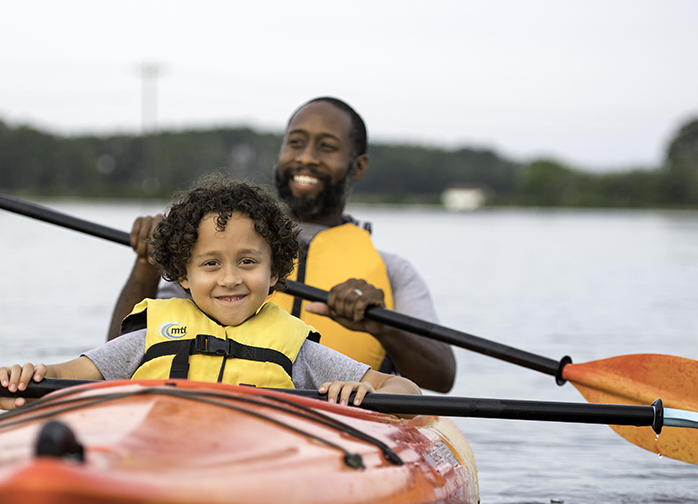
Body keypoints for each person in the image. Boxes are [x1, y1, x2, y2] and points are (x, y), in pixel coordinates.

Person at [107, 97, 457, 393]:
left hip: (344, 426)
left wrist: (381, 323)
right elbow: (120, 354)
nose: (306, 157)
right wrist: (150, 260)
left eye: (327, 147)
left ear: (359, 166)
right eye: (295, 142)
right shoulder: (209, 252)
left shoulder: (393, 272)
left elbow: (441, 377)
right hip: (219, 414)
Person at [0, 177, 421, 410]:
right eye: (210, 264)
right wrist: (26, 379)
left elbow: (405, 393)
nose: (230, 279)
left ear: (275, 273)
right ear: (181, 273)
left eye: (248, 263)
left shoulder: (297, 351)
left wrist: (368, 393)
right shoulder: (146, 340)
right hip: (152, 463)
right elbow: (64, 378)